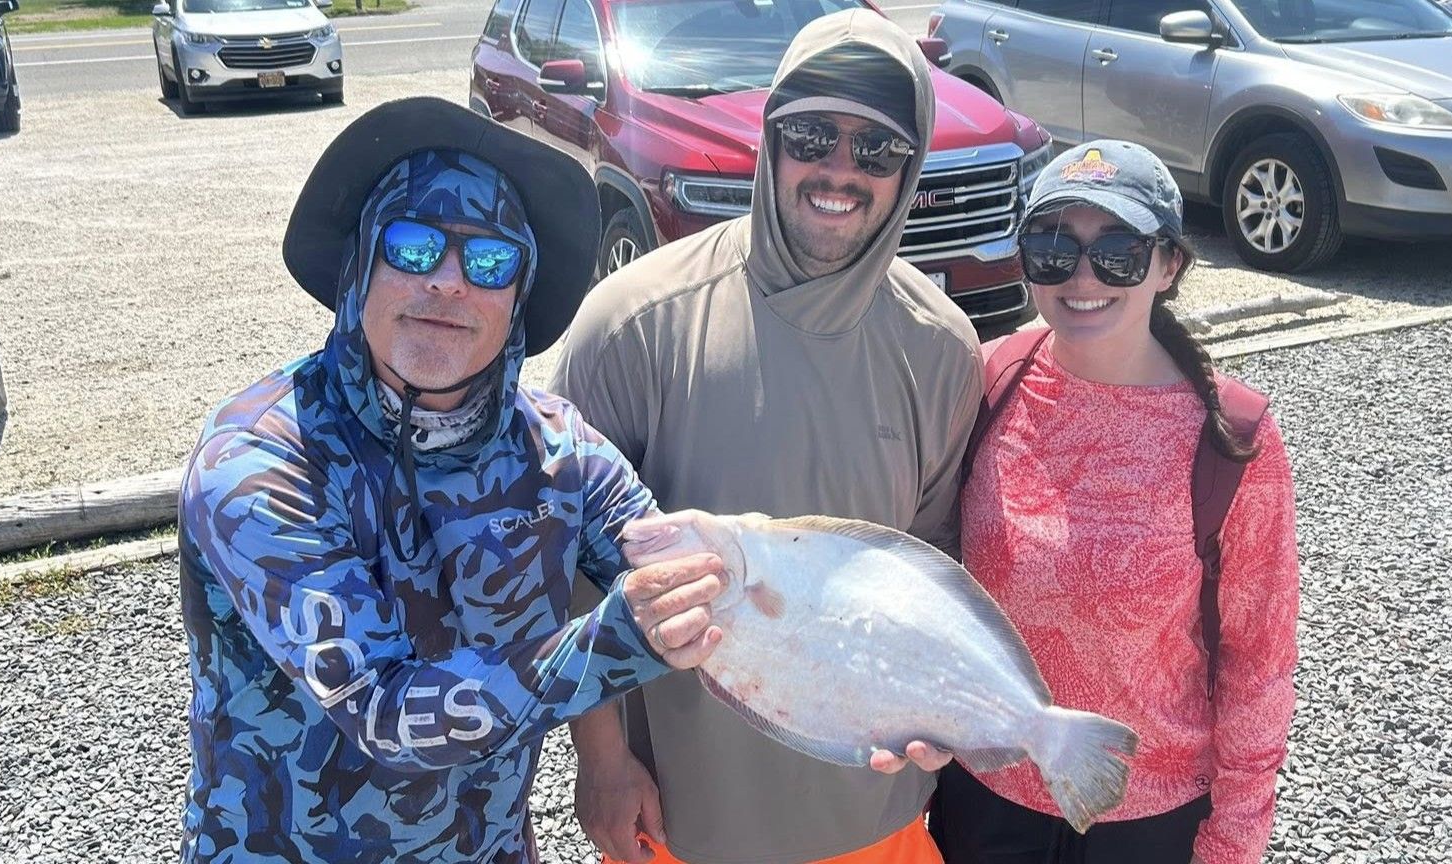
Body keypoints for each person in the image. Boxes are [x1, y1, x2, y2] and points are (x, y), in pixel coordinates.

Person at [176, 98, 727, 864]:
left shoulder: (560, 448)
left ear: (518, 302)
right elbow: (381, 709)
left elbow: (696, 574)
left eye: (491, 261)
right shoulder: (261, 457)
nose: (448, 282)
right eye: (411, 245)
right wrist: (618, 640)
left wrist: (884, 696)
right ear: (359, 265)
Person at [550, 10, 980, 864]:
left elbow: (930, 567)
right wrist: (601, 761)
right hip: (685, 815)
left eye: (877, 151)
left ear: (910, 167)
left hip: (878, 814)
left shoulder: (941, 347)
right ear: (770, 140)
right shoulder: (633, 322)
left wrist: (943, 713)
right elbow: (560, 562)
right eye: (813, 135)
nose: (839, 171)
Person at [933, 140, 1300, 864]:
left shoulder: (1230, 437)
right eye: (1053, 247)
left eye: (1118, 251)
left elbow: (1259, 663)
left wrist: (1233, 842)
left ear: (1169, 266)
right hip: (984, 800)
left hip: (1148, 821)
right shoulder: (988, 379)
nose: (1082, 276)